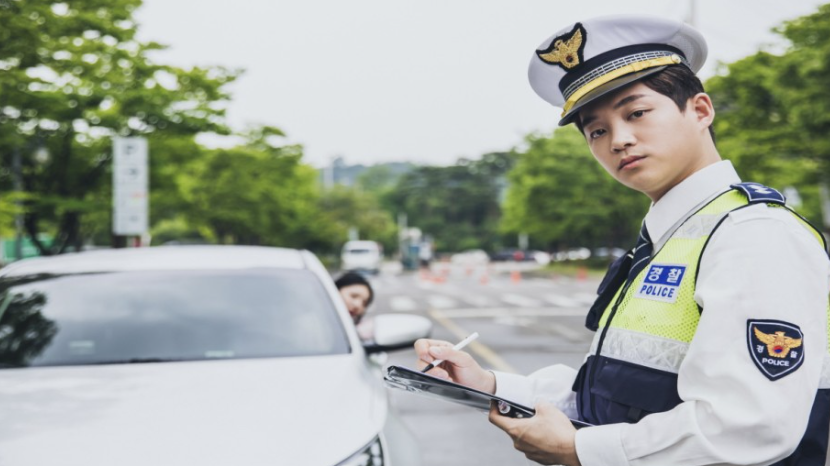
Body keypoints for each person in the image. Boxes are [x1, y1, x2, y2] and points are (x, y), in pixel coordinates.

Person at [415, 15, 830, 466]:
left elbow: (749, 426)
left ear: (701, 110)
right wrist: (492, 386)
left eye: (637, 113)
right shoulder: (673, 235)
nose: (620, 140)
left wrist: (579, 450)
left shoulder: (754, 237)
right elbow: (623, 392)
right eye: (597, 130)